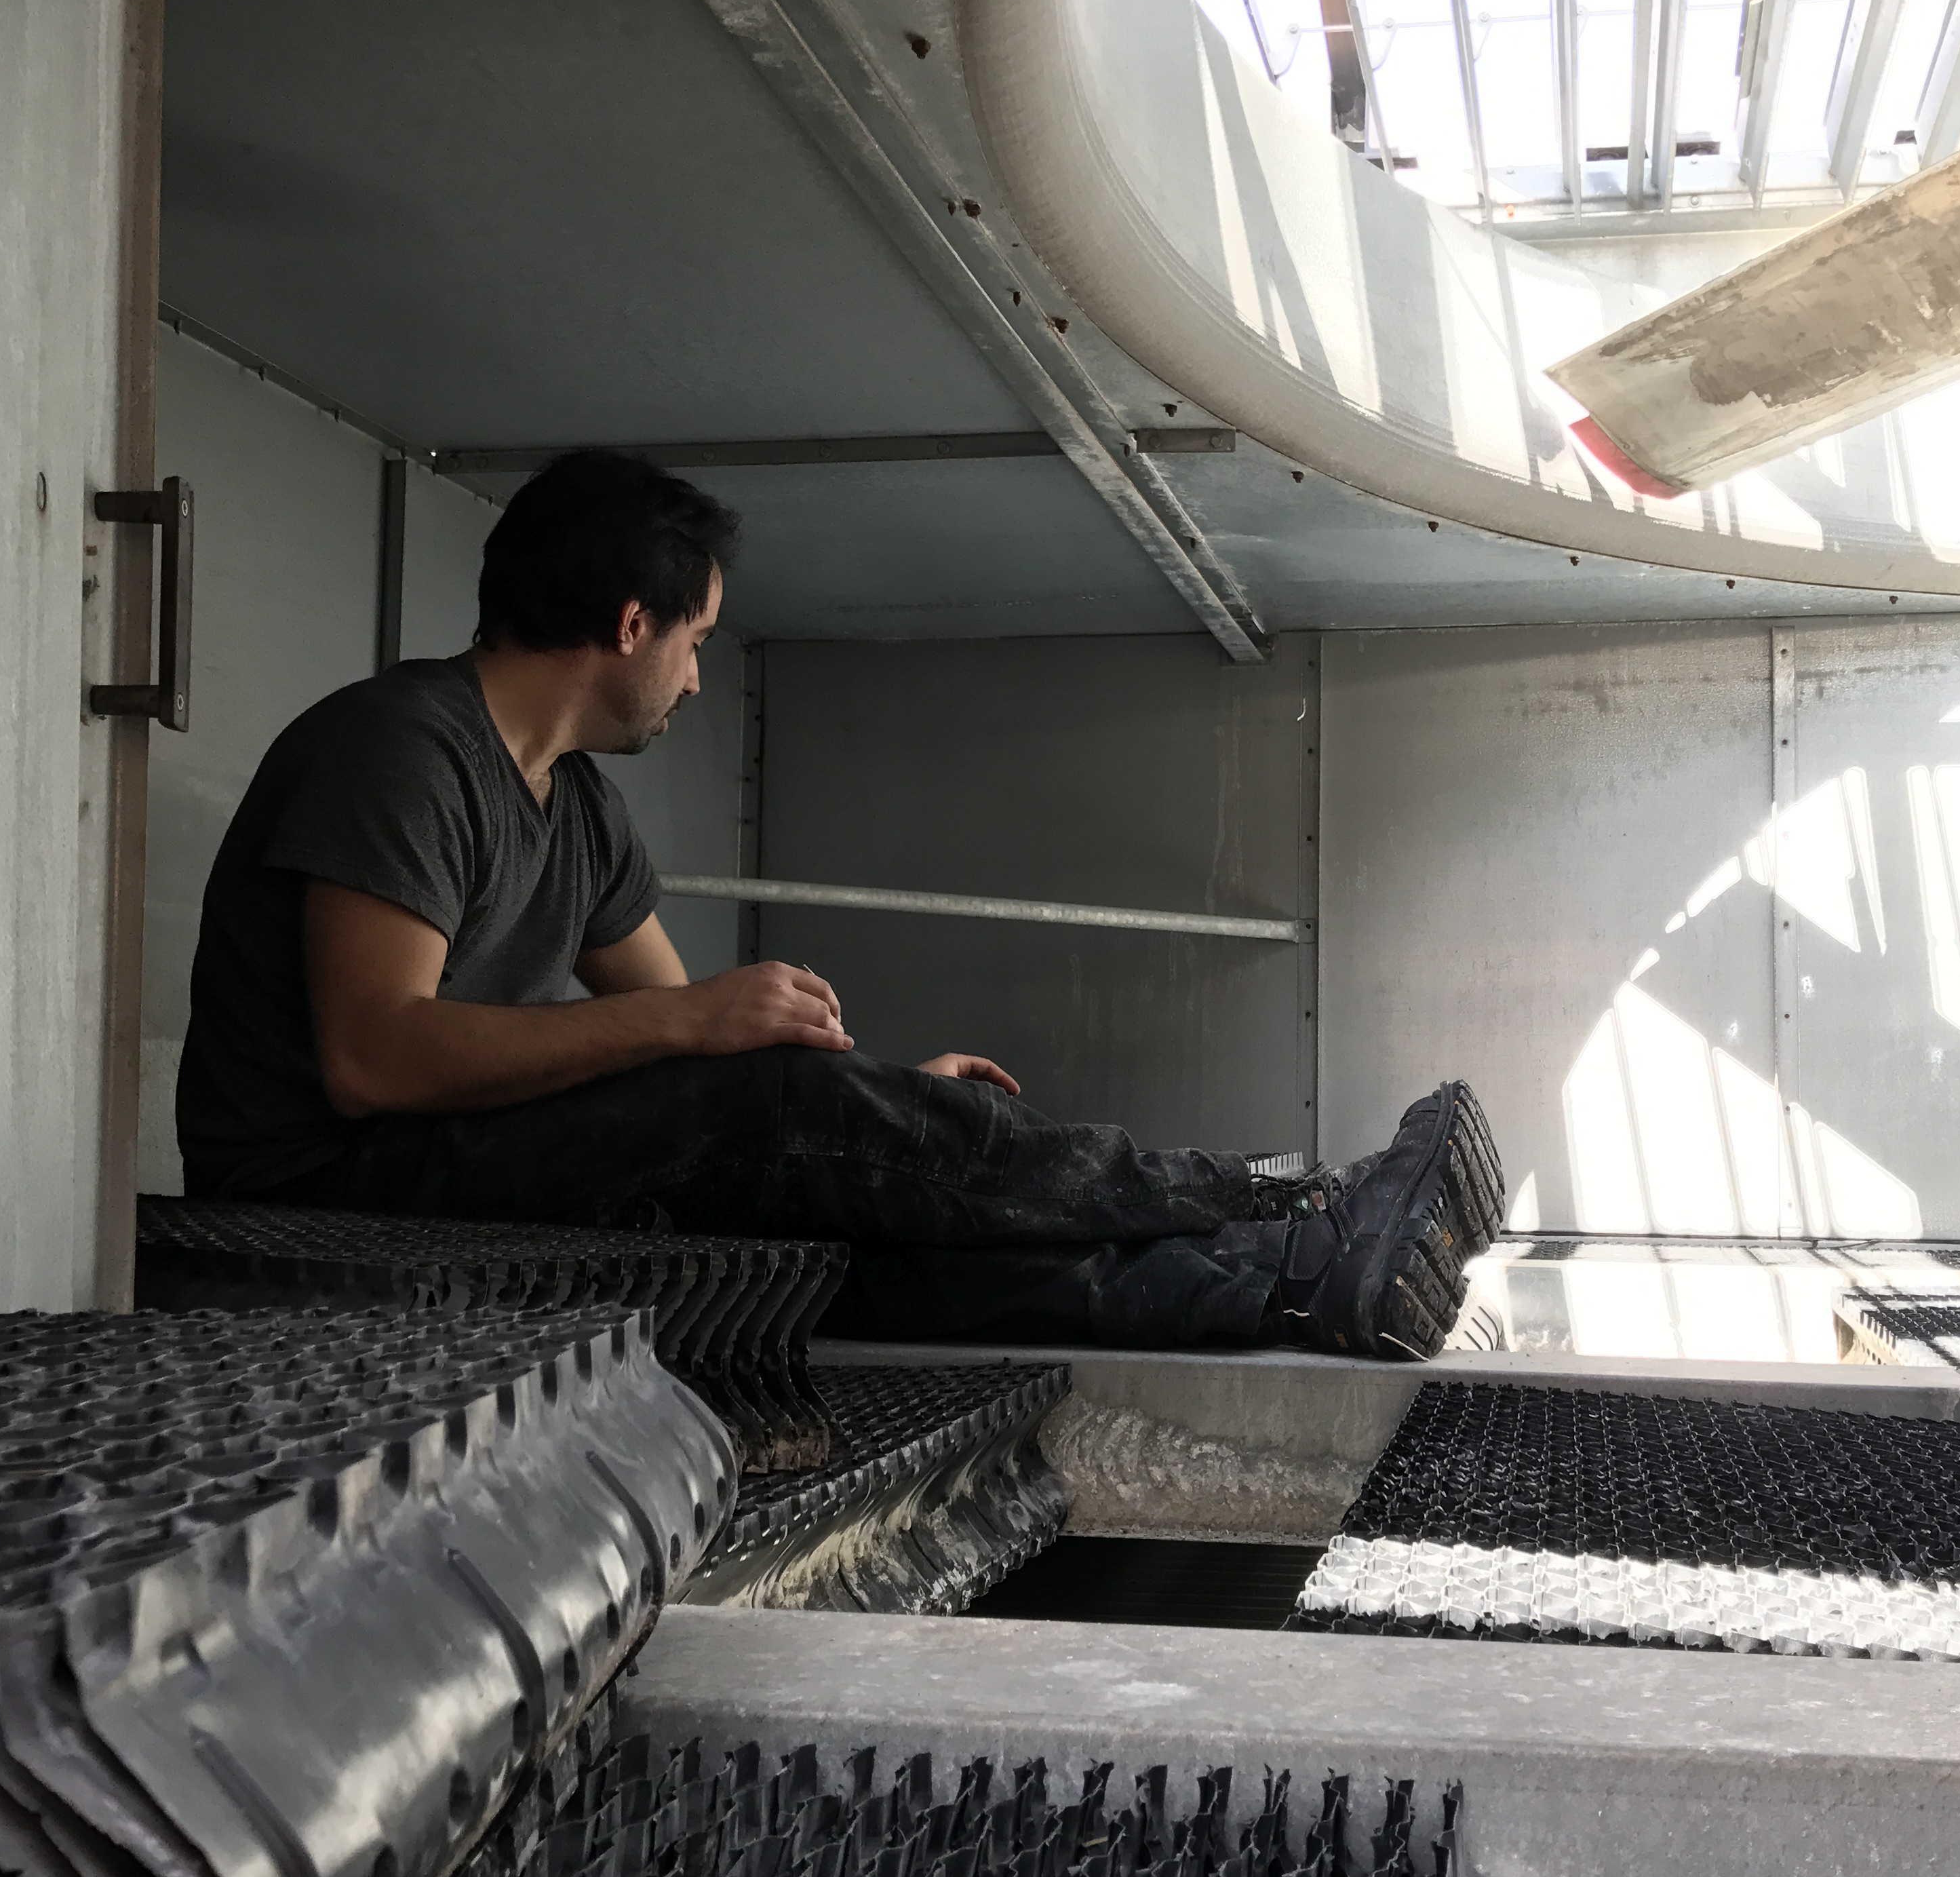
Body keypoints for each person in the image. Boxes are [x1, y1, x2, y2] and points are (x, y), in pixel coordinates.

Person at [175, 450, 1502, 1358]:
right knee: (787, 1122)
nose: (698, 679)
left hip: (459, 1167)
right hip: (320, 1193)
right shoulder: (402, 749)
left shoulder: (576, 807)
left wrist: (889, 1105)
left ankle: (1289, 1285)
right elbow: (375, 1058)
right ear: (632, 626)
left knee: (846, 1233)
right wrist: (733, 1049)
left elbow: (722, 1063)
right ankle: (1276, 1200)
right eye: (697, 641)